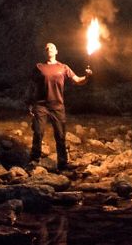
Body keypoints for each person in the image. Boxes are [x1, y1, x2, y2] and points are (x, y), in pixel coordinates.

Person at [27, 41, 91, 172]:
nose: (49, 49)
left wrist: (87, 76)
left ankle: (62, 163)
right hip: (41, 106)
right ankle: (34, 160)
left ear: (56, 51)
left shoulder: (64, 67)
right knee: (38, 132)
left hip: (57, 106)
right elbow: (31, 86)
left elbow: (78, 80)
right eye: (47, 48)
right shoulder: (39, 67)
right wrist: (29, 103)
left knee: (60, 135)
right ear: (45, 53)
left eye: (52, 47)